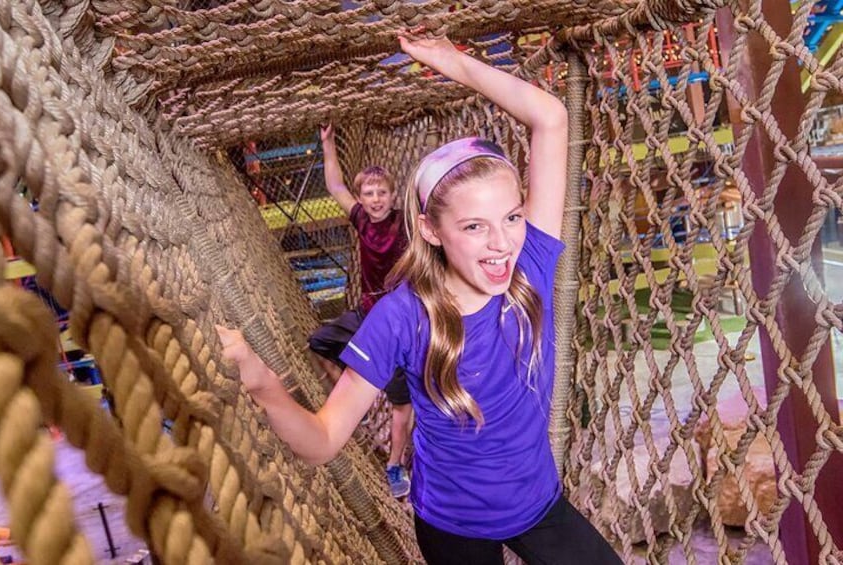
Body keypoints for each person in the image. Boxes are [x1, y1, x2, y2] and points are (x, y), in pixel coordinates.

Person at [218, 35, 620, 564]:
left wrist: (455, 63)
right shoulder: (400, 318)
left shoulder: (531, 267)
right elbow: (321, 440)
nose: (501, 243)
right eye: (475, 226)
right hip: (452, 525)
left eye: (512, 217)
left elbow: (550, 117)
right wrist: (262, 383)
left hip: (539, 506)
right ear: (430, 230)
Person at [306, 123, 413, 498]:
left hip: (400, 321)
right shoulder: (361, 219)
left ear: (392, 194)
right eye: (369, 193)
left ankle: (395, 466)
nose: (376, 199)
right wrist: (328, 143)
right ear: (362, 198)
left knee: (402, 404)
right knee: (319, 340)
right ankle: (361, 394)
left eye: (382, 192)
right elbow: (335, 186)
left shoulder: (405, 222)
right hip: (369, 313)